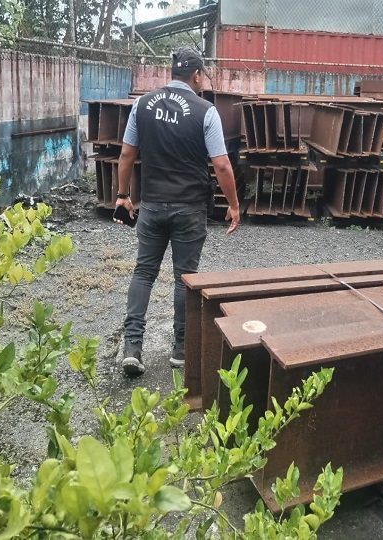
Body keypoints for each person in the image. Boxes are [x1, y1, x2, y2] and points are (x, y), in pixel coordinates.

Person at [114, 47, 240, 376]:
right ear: (196, 75)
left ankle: (133, 347)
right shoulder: (205, 111)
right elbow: (222, 165)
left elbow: (127, 154)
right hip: (189, 209)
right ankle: (181, 350)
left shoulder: (142, 106)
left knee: (143, 273)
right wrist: (234, 206)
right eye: (204, 75)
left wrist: (122, 196)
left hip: (153, 205)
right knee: (185, 279)